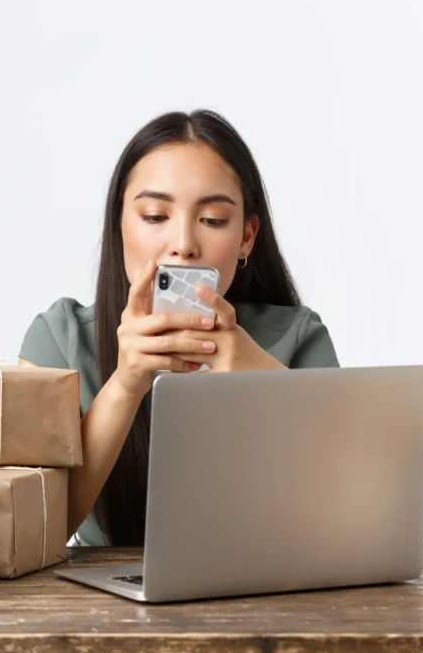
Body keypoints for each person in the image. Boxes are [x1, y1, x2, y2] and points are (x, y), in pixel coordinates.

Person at [19, 109, 339, 546]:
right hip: (102, 589)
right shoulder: (60, 339)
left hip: (268, 585)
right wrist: (125, 385)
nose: (184, 245)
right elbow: (34, 530)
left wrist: (260, 378)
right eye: (155, 216)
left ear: (247, 237)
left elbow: (349, 512)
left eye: (212, 220)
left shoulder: (298, 337)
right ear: (119, 224)